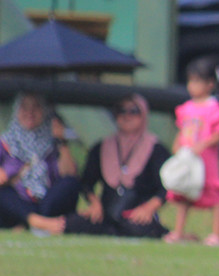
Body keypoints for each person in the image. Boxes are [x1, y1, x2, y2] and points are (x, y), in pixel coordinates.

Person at [63, 95, 170, 239]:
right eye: (121, 111)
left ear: (143, 115)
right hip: (106, 213)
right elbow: (86, 182)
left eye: (133, 111)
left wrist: (148, 208)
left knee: (141, 230)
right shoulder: (102, 147)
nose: (127, 116)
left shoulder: (156, 149)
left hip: (136, 214)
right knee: (74, 224)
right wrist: (94, 204)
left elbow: (167, 187)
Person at [164, 58, 219, 246]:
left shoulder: (214, 108)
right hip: (187, 159)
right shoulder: (186, 108)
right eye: (190, 81)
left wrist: (204, 144)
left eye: (197, 81)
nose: (193, 86)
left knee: (214, 194)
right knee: (183, 193)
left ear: (210, 84)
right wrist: (177, 144)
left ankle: (216, 234)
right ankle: (178, 231)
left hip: (206, 161)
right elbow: (182, 130)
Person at [0, 92, 79, 235]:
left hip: (46, 203)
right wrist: (11, 173)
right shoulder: (6, 143)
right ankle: (34, 222)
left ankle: (34, 223)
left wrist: (61, 141)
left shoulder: (52, 142)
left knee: (70, 183)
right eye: (24, 107)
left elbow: (69, 173)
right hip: (17, 204)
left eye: (36, 107)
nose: (30, 113)